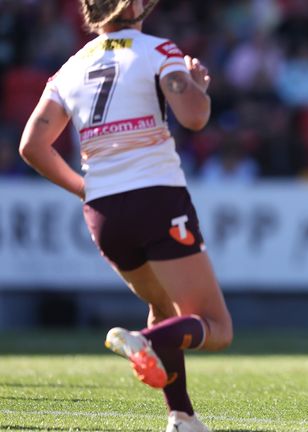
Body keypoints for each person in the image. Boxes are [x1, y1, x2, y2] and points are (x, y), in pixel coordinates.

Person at [18, 1, 232, 431]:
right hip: (156, 198)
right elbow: (195, 116)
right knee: (217, 327)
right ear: (132, 6)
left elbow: (32, 146)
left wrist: (85, 188)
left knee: (162, 304)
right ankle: (145, 342)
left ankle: (181, 416)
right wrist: (198, 85)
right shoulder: (158, 51)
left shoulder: (71, 67)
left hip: (103, 213)